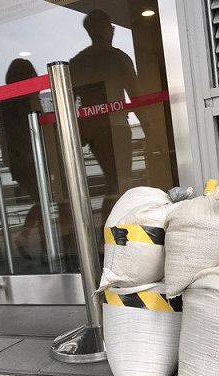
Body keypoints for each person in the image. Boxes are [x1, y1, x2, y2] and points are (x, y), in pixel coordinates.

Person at [69, 9, 147, 223]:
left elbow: (69, 103)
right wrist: (150, 128)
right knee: (120, 183)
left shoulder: (77, 62)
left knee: (114, 182)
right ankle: (112, 232)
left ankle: (108, 232)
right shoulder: (118, 58)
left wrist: (80, 133)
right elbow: (137, 98)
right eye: (110, 27)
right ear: (107, 30)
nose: (112, 31)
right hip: (116, 127)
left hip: (93, 132)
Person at [0, 58, 43, 260]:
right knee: (44, 199)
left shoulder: (6, 100)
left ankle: (30, 239)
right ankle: (34, 241)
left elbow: (5, 134)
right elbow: (37, 126)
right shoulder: (28, 97)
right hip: (32, 157)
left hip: (19, 160)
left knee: (42, 200)